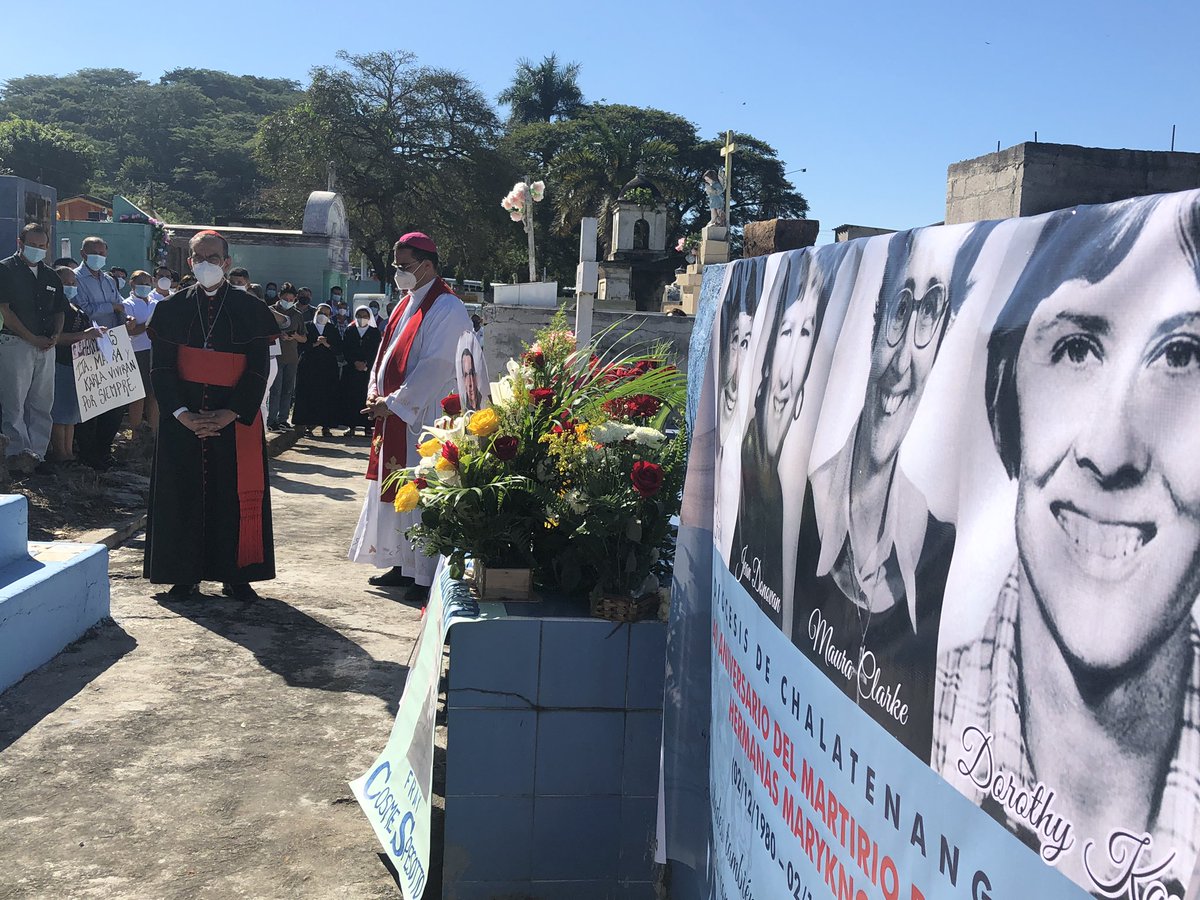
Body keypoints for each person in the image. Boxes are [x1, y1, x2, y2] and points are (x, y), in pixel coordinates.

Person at [935, 194, 1200, 895]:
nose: (1111, 451)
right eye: (1076, 349)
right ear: (1007, 404)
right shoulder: (921, 695)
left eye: (1181, 356)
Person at [793, 221, 996, 762]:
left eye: (930, 314)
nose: (902, 363)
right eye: (900, 311)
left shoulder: (944, 560)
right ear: (874, 321)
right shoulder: (803, 514)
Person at [143, 230, 280, 601]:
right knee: (182, 495)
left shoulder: (251, 308)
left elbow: (258, 369)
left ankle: (236, 576)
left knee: (230, 497)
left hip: (233, 419)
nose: (206, 263)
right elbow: (161, 369)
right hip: (183, 419)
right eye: (199, 258)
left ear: (227, 262)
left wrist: (231, 413)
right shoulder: (170, 308)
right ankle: (182, 575)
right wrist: (181, 414)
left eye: (213, 257)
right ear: (190, 262)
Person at [731, 242, 859, 631]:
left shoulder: (797, 468)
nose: (789, 358)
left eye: (806, 333)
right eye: (786, 330)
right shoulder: (746, 438)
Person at [349, 232, 472, 599]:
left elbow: (436, 365)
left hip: (426, 414)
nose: (398, 272)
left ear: (427, 265)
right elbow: (384, 355)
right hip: (396, 413)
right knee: (397, 490)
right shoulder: (406, 302)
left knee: (422, 489)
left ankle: (426, 575)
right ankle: (403, 565)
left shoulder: (447, 307)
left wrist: (395, 402)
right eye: (396, 265)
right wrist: (375, 391)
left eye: (404, 266)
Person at [0, 223, 66, 475]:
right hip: (16, 343)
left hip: (46, 346)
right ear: (20, 243)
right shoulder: (6, 269)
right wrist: (31, 338)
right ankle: (16, 455)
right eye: (32, 244)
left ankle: (37, 455)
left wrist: (56, 335)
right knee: (14, 403)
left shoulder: (50, 275)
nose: (37, 249)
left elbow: (60, 310)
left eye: (41, 245)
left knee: (42, 402)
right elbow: (6, 312)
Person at [73, 236, 129, 470]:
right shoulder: (75, 278)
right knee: (90, 403)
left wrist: (124, 315)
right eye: (94, 252)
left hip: (113, 344)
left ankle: (104, 450)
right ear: (83, 254)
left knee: (116, 401)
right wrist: (112, 307)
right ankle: (88, 453)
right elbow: (82, 309)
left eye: (102, 253)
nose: (99, 257)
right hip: (88, 344)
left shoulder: (108, 280)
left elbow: (120, 304)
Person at [50, 266, 105, 464]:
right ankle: (60, 454)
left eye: (73, 283)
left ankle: (69, 453)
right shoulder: (54, 308)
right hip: (60, 362)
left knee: (72, 414)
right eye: (66, 283)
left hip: (78, 364)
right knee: (59, 413)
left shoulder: (75, 306)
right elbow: (55, 338)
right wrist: (84, 335)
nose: (71, 286)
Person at [293, 302, 342, 436]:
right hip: (309, 366)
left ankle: (326, 426)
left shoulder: (332, 329)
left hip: (327, 368)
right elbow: (300, 345)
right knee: (308, 394)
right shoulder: (307, 326)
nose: (322, 316)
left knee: (327, 395)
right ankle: (307, 424)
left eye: (326, 314)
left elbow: (339, 348)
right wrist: (314, 344)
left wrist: (327, 344)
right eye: (320, 312)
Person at [266, 283, 306, 430]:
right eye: (285, 298)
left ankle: (283, 419)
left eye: (291, 299)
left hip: (292, 358)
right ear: (279, 296)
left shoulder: (297, 314)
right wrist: (279, 335)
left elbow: (304, 338)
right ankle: (271, 420)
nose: (288, 301)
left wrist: (294, 336)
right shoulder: (270, 311)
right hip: (274, 357)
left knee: (288, 390)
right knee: (275, 390)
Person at [123, 270, 159, 433]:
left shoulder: (156, 302)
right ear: (132, 284)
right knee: (138, 394)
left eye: (147, 284)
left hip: (155, 350)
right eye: (140, 283)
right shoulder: (127, 304)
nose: (144, 287)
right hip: (137, 352)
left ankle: (154, 431)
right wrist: (149, 324)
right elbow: (131, 331)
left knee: (154, 394)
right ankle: (136, 432)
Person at [340, 305, 381, 437]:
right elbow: (345, 348)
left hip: (368, 371)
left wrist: (366, 364)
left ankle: (368, 427)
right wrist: (354, 362)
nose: (362, 318)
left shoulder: (374, 332)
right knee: (351, 397)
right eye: (359, 316)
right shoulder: (350, 330)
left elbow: (376, 351)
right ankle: (351, 426)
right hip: (352, 370)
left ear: (369, 318)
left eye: (364, 316)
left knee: (367, 397)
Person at [460, 346, 483, 411]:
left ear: (476, 375)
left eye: (471, 373)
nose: (470, 383)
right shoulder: (462, 407)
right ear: (463, 379)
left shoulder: (486, 400)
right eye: (466, 375)